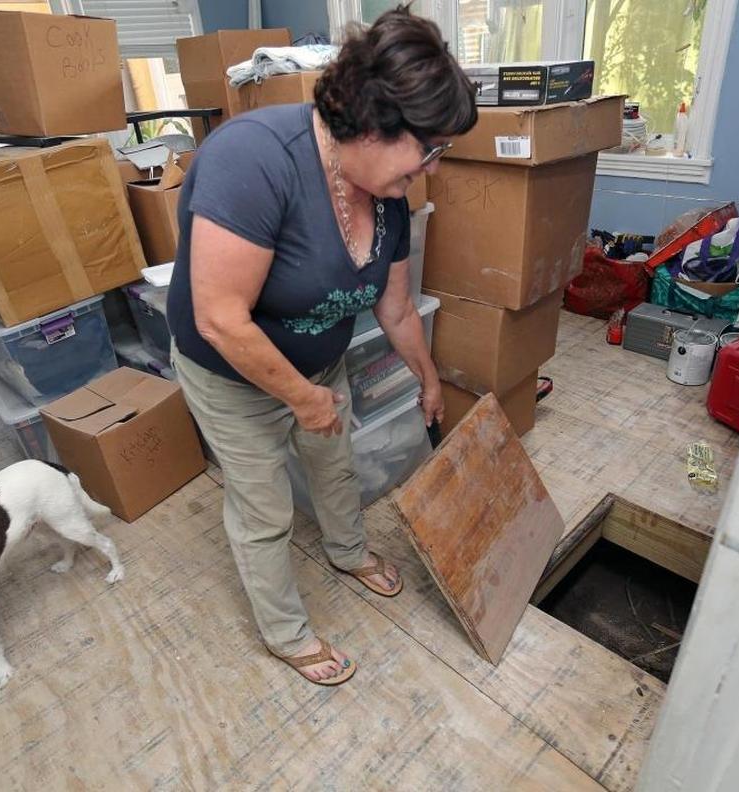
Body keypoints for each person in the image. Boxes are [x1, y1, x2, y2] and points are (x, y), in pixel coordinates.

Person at [167, 7, 477, 686]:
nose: (428, 171)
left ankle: (346, 552)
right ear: (372, 125)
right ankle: (284, 633)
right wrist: (303, 399)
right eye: (427, 149)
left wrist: (426, 375)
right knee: (266, 507)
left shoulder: (387, 196)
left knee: (334, 465)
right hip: (232, 375)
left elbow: (394, 306)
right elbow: (219, 317)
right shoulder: (253, 161)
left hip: (318, 360)